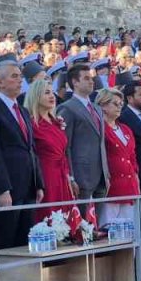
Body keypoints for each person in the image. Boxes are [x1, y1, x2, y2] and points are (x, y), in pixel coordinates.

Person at [0, 60, 44, 247]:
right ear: (0, 82)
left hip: (28, 185)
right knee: (5, 240)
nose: (20, 80)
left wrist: (38, 183)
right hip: (9, 187)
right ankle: (0, 278)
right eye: (14, 76)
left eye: (20, 76)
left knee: (25, 241)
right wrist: (3, 188)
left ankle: (20, 278)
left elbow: (31, 148)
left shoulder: (24, 111)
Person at [23, 78, 76, 221]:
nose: (52, 96)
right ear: (36, 95)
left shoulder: (56, 122)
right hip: (46, 175)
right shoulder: (31, 123)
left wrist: (69, 177)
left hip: (62, 175)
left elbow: (64, 152)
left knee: (65, 216)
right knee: (49, 215)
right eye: (46, 93)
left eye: (52, 92)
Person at [55, 63, 110, 200]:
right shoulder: (67, 108)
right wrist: (71, 177)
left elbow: (100, 142)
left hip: (100, 177)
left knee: (98, 221)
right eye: (86, 78)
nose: (91, 81)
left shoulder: (97, 109)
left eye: (91, 78)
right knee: (83, 220)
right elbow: (65, 146)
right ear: (75, 82)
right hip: (81, 177)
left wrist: (106, 172)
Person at [98, 87, 138, 223]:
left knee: (130, 229)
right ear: (103, 105)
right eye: (115, 104)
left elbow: (132, 157)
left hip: (129, 186)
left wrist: (136, 177)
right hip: (111, 188)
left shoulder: (125, 129)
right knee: (109, 228)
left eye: (121, 104)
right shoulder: (100, 128)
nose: (119, 107)